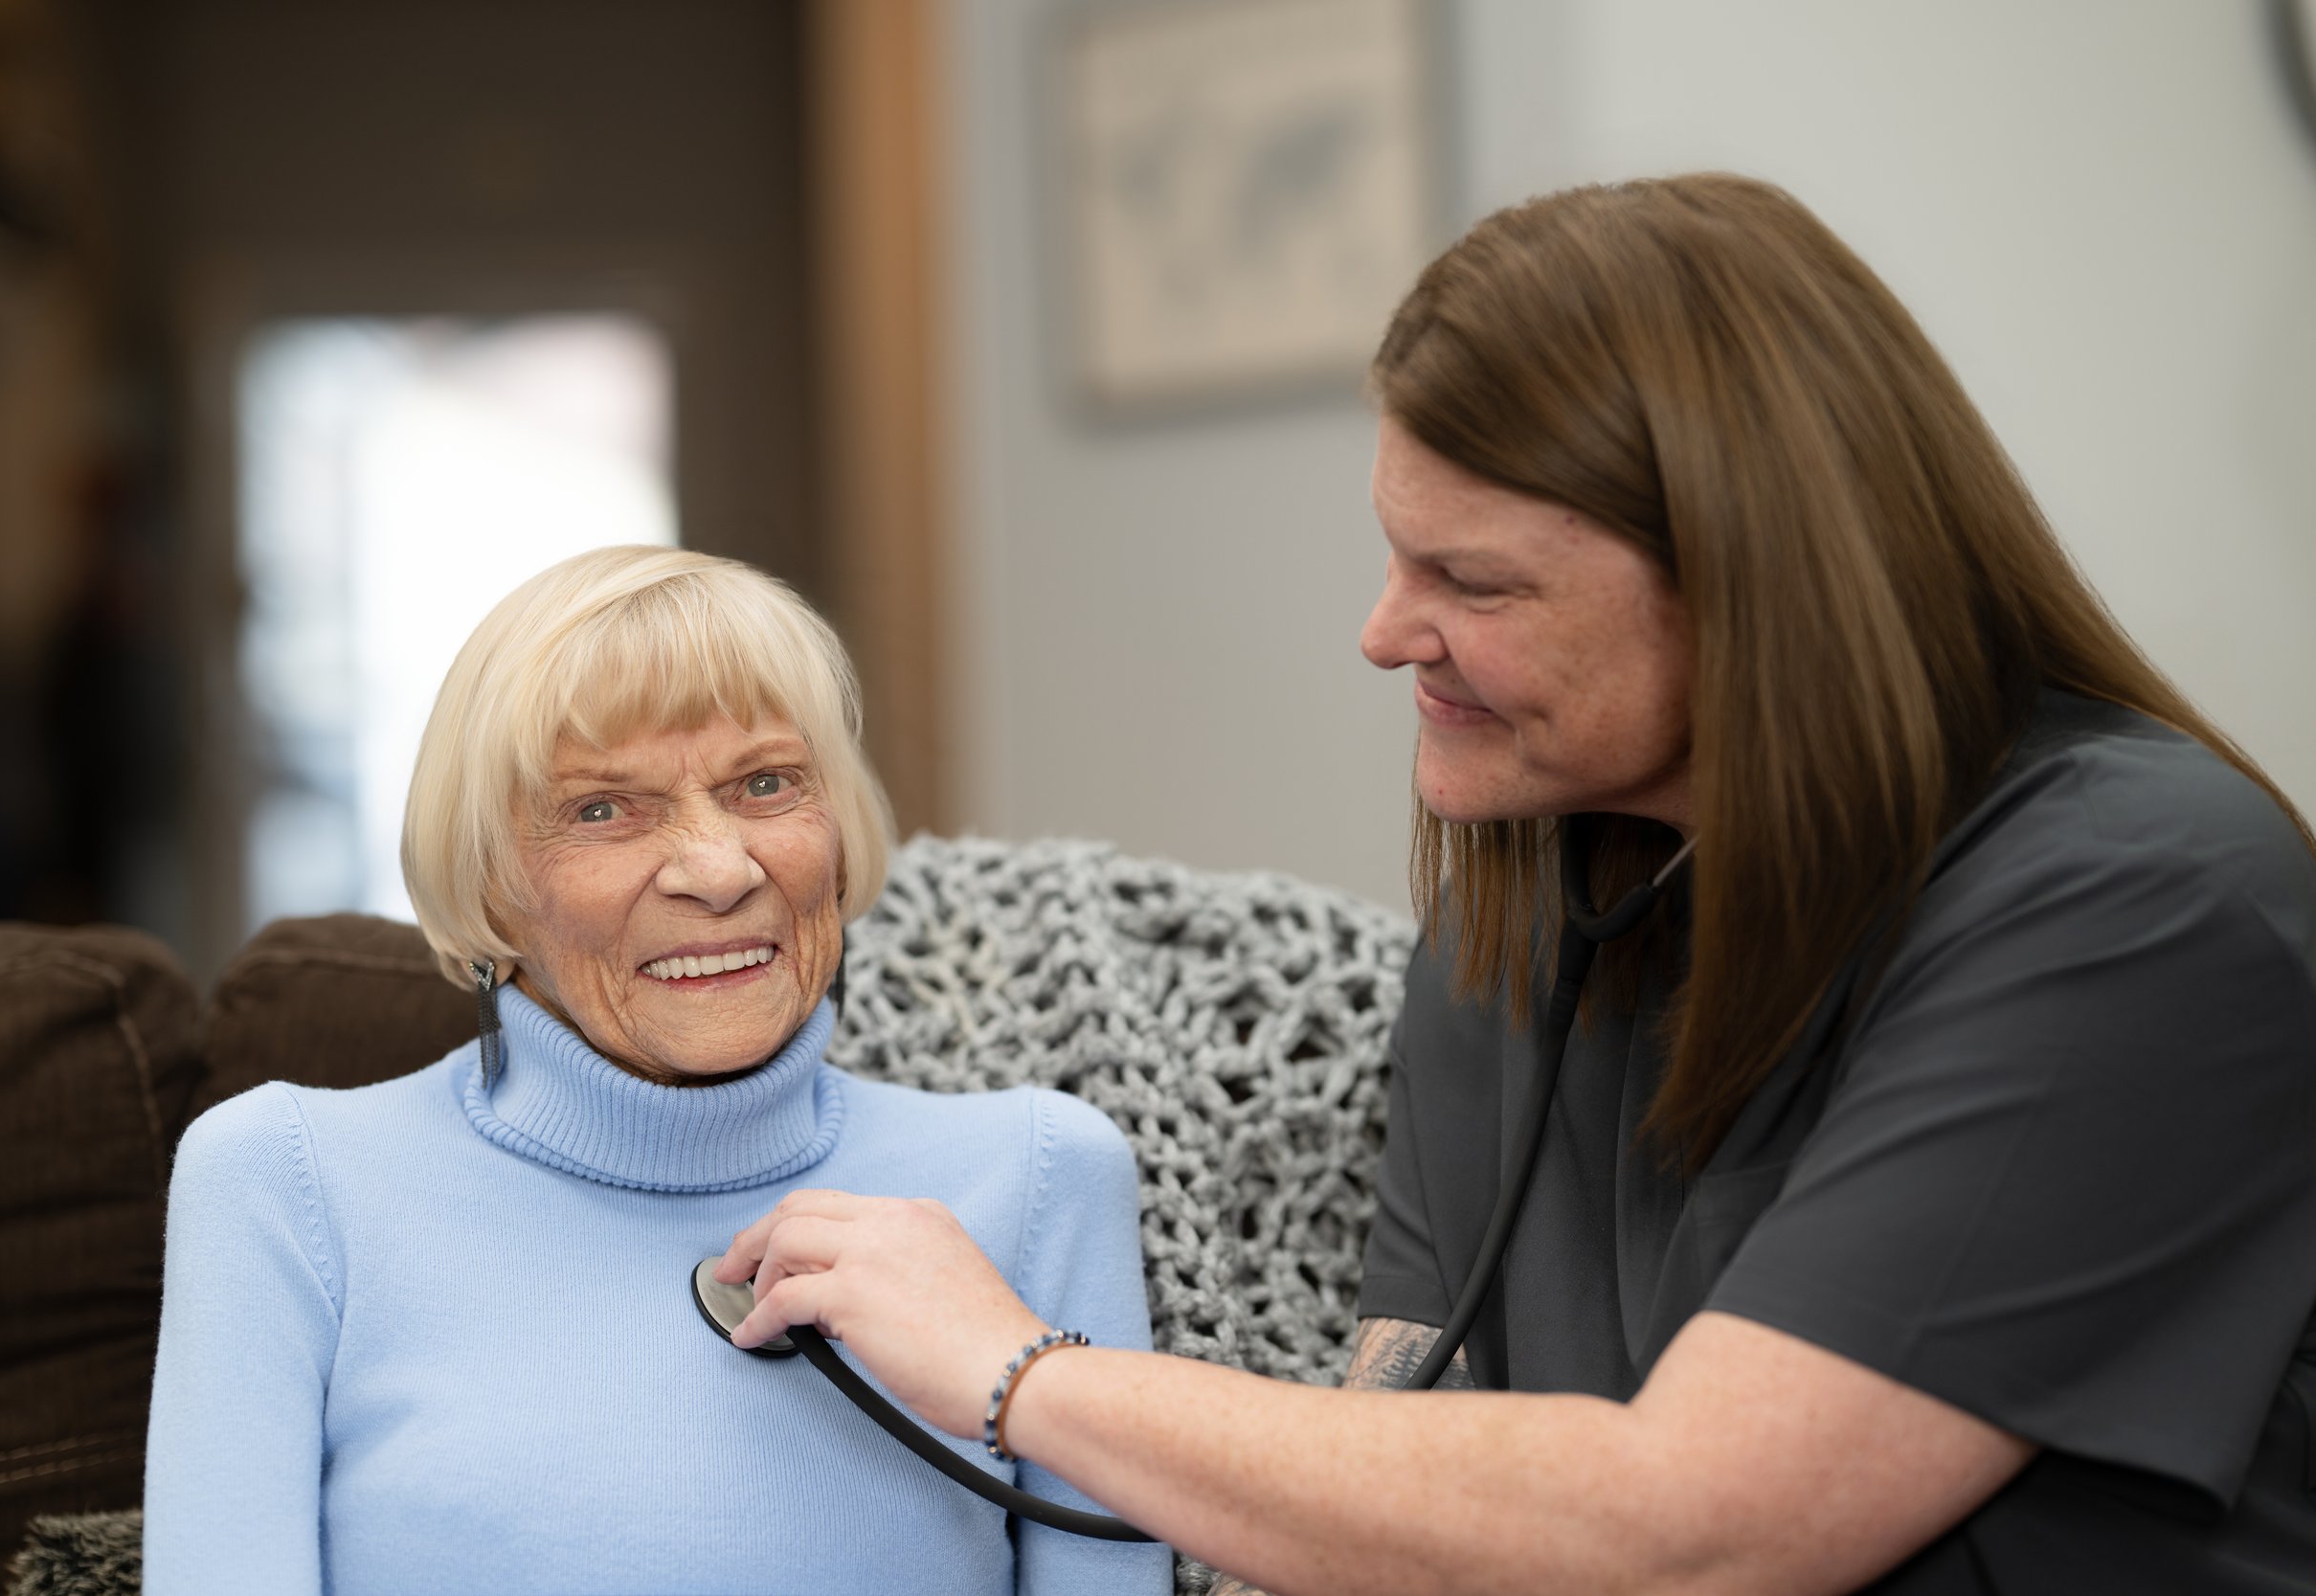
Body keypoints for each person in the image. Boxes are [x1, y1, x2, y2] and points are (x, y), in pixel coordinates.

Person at [712, 174, 2316, 1594]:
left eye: (1470, 580)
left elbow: (1697, 1529)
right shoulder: (1535, 913)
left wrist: (1016, 1370)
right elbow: (1415, 1472)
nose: (1384, 632)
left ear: (1756, 588)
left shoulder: (2142, 905)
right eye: (1397, 552)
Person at [144, 547, 1168, 1596]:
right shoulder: (284, 1182)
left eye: (765, 783)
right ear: (490, 883)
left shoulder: (1043, 1175)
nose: (719, 870)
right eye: (603, 808)